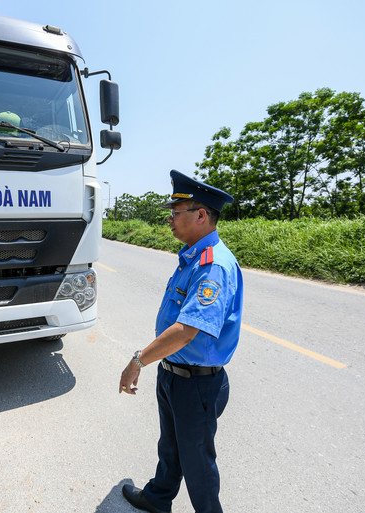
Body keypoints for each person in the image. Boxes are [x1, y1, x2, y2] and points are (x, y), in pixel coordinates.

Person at [119, 170, 244, 513]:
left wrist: (138, 361)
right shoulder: (192, 255)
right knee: (170, 446)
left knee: (198, 463)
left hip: (198, 384)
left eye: (176, 214)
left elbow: (187, 330)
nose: (170, 221)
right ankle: (158, 498)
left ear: (201, 216)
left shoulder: (212, 265)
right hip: (174, 373)